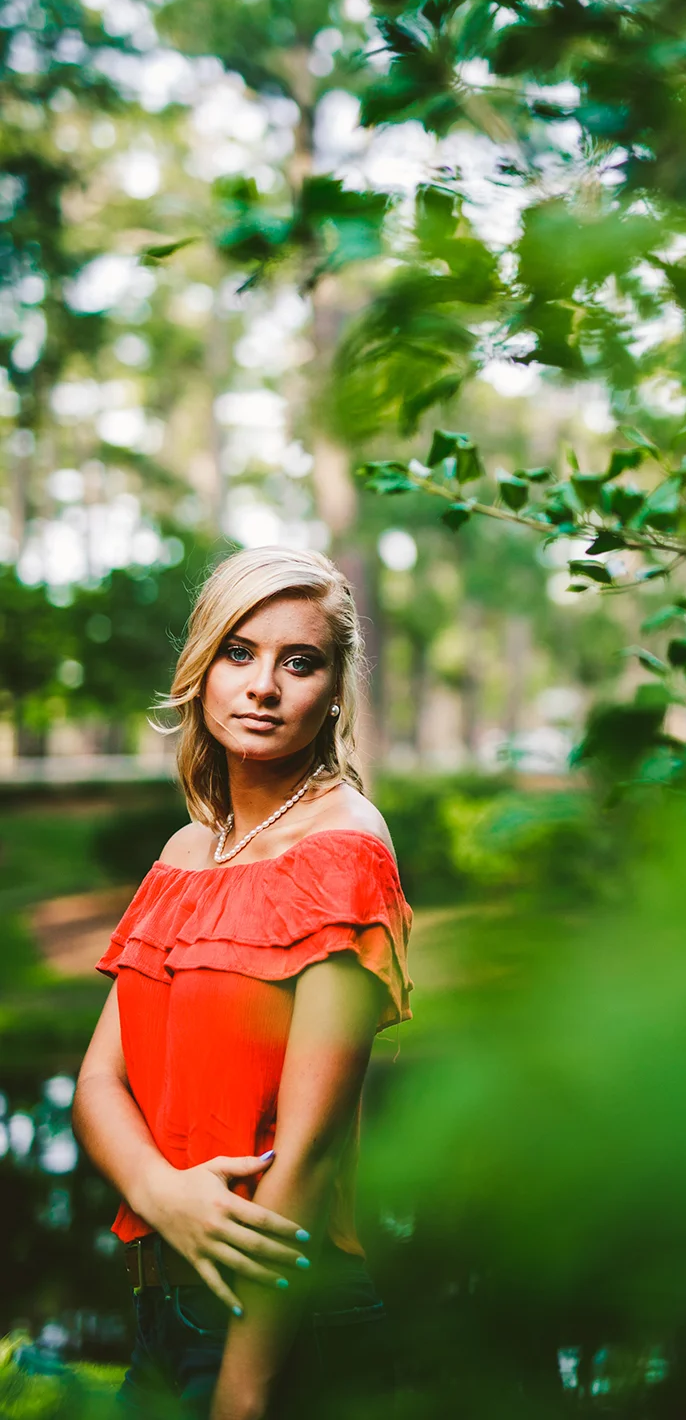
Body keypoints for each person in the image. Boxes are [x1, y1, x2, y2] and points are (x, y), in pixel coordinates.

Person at [73, 547, 412, 1420]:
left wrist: (244, 1392)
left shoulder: (345, 849)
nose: (264, 684)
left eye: (299, 662)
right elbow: (97, 1083)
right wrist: (159, 1192)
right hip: (160, 1299)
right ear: (202, 668)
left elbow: (307, 1150)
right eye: (239, 651)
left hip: (277, 1319)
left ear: (335, 689)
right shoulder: (188, 853)